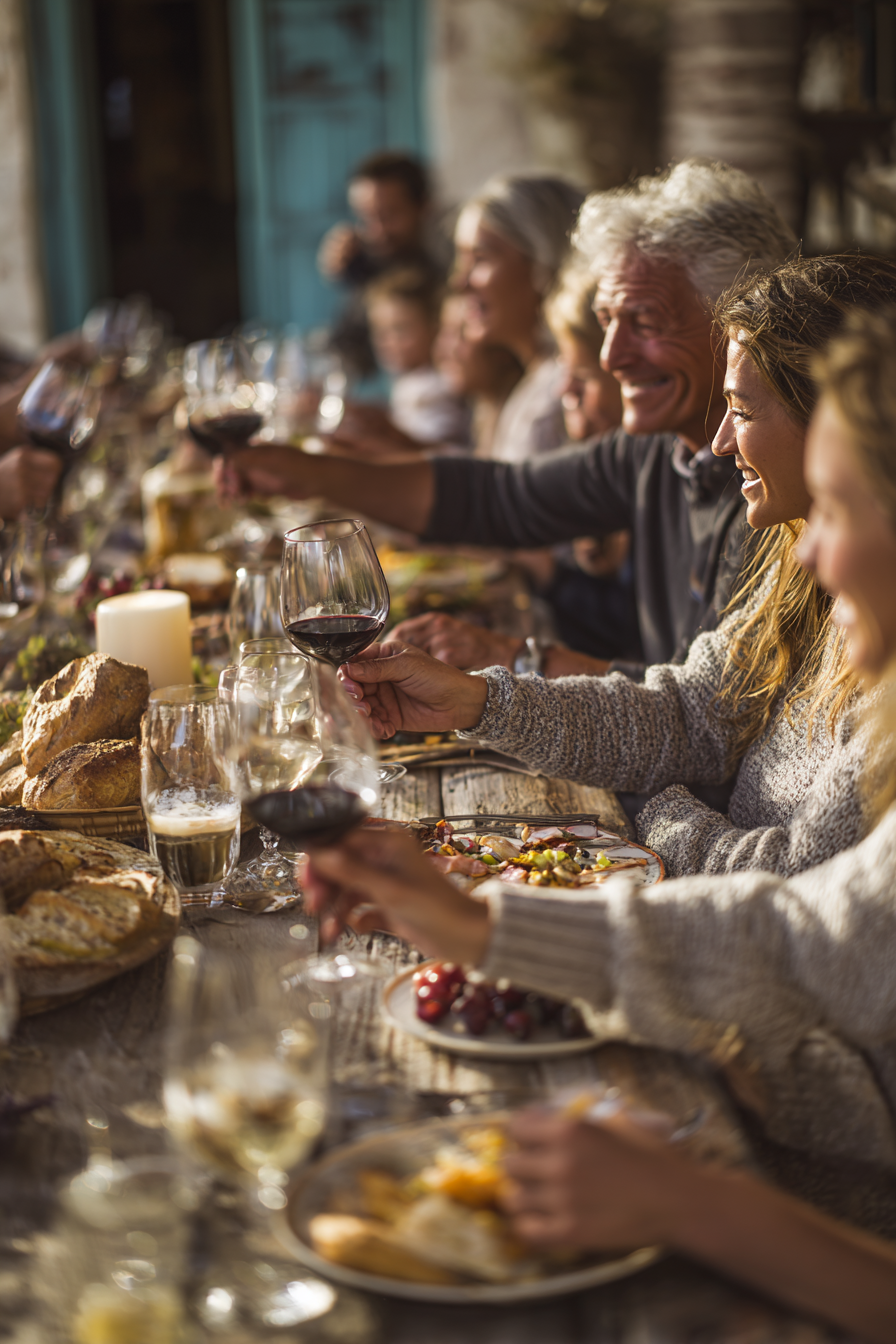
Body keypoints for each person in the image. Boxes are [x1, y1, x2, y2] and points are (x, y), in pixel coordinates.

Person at [302, 306, 896, 1342]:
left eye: (841, 510)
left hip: (818, 1182)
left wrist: (699, 1202)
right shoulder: (802, 607)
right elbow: (800, 935)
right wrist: (474, 915)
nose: (810, 557)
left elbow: (791, 921)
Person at [340, 254, 896, 881]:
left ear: (829, 422)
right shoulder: (799, 572)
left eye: (740, 411)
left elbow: (789, 885)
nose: (719, 443)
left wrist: (650, 807)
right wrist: (475, 701)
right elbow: (691, 712)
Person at [216, 159, 795, 681]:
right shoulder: (657, 450)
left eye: (644, 320)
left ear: (740, 324)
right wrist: (306, 471)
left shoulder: (774, 490)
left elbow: (706, 719)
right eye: (607, 321)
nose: (610, 357)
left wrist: (515, 661)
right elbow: (497, 496)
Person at [391, 256, 641, 666]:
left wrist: (547, 574)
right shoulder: (610, 467)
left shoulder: (641, 474)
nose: (563, 392)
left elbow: (623, 638)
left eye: (581, 377)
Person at [318, 150, 443, 380]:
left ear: (425, 207)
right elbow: (350, 353)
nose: (377, 232)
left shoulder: (448, 263)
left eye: (389, 215)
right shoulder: (372, 265)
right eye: (366, 218)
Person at [364, 268, 470, 445]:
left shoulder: (443, 386)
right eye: (380, 331)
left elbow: (441, 450)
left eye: (401, 329)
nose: (388, 342)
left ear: (433, 328)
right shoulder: (404, 381)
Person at [432, 292, 522, 457]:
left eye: (462, 333)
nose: (445, 349)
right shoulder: (482, 412)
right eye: (444, 332)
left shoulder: (527, 418)